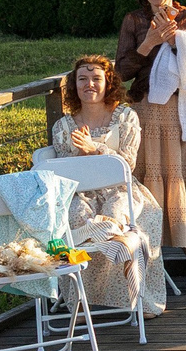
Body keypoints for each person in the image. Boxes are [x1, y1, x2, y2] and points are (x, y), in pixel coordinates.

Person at [113, 0, 186, 296]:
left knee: (180, 181)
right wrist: (151, 41)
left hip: (182, 109)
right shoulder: (134, 20)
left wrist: (175, 40)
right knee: (150, 186)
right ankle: (145, 263)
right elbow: (121, 71)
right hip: (147, 110)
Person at [40, 53, 168, 323]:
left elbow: (128, 163)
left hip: (119, 187)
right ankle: (82, 296)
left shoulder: (125, 117)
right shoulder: (63, 126)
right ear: (73, 86)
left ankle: (134, 291)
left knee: (117, 212)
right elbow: (65, 171)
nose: (89, 84)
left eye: (96, 78)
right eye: (82, 79)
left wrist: (93, 148)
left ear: (108, 83)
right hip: (80, 190)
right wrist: (81, 155)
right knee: (75, 215)